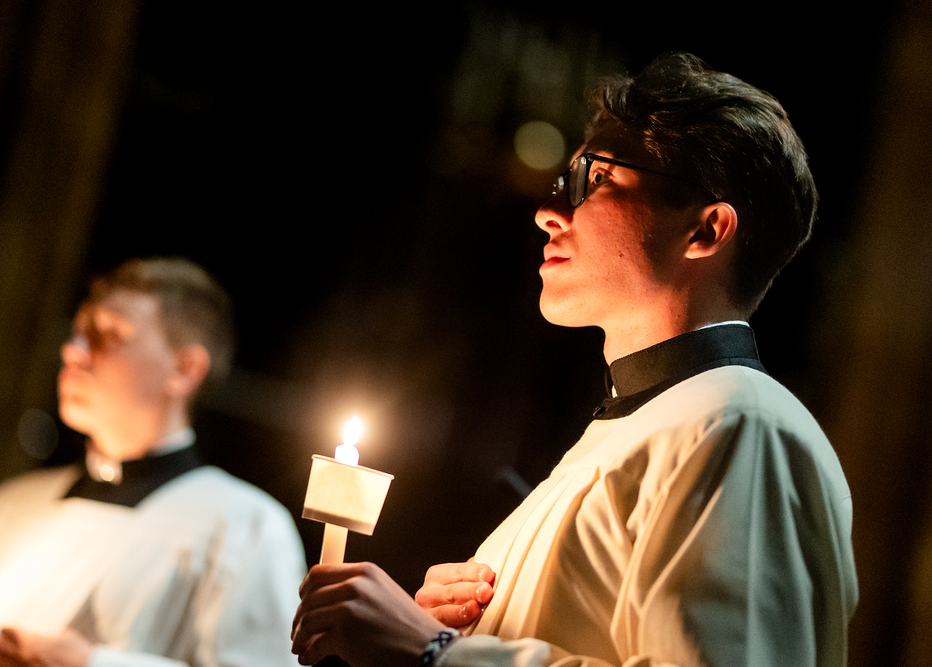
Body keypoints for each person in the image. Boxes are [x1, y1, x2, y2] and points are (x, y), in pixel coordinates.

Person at [290, 52, 859, 666]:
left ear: (706, 230)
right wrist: (444, 634)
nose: (548, 211)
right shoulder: (642, 428)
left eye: (596, 178)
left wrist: (433, 651)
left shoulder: (738, 424)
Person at [0, 257, 306, 667]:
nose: (73, 351)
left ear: (184, 370)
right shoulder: (12, 503)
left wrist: (90, 663)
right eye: (78, 333)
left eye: (107, 336)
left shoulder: (244, 528)